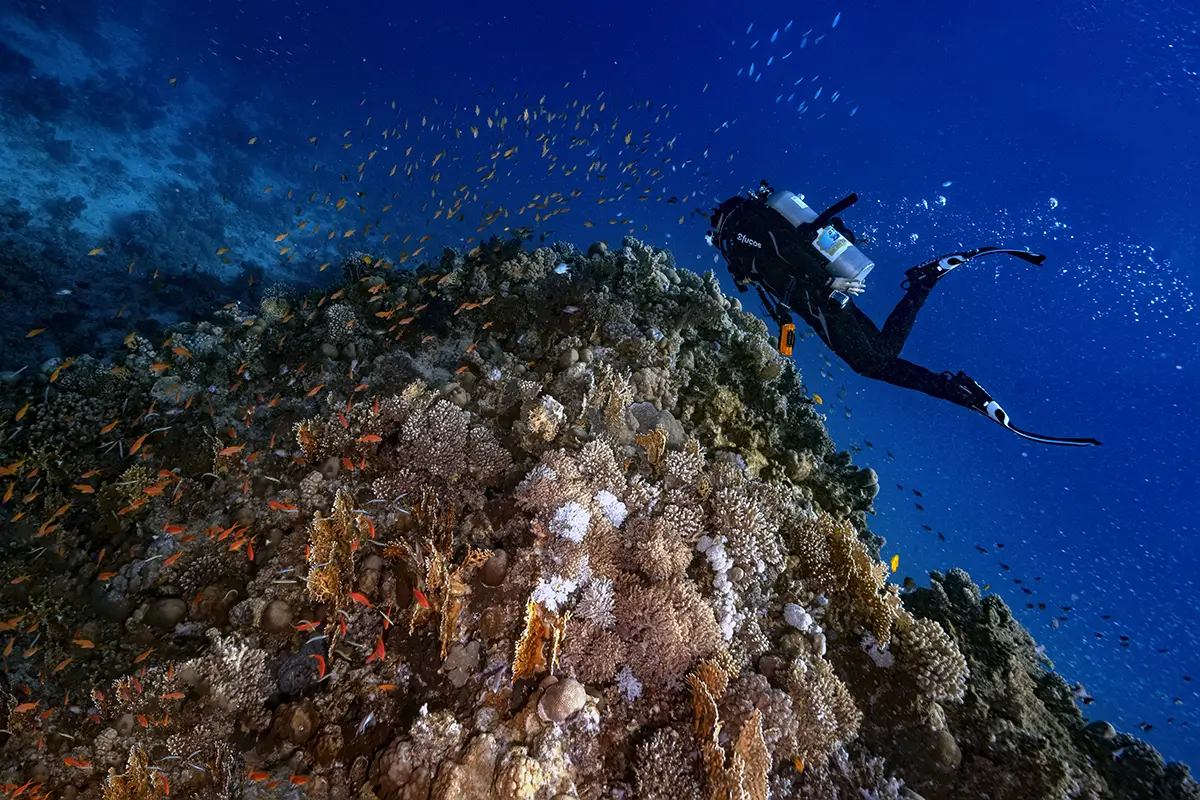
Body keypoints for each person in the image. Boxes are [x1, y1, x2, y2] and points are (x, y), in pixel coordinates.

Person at [708, 181, 1100, 447]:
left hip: (819, 296)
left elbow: (779, 266)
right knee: (882, 353)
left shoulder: (738, 235)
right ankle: (955, 380)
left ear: (720, 226)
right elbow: (783, 264)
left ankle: (930, 299)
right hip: (821, 293)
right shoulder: (748, 226)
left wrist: (824, 287)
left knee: (872, 362)